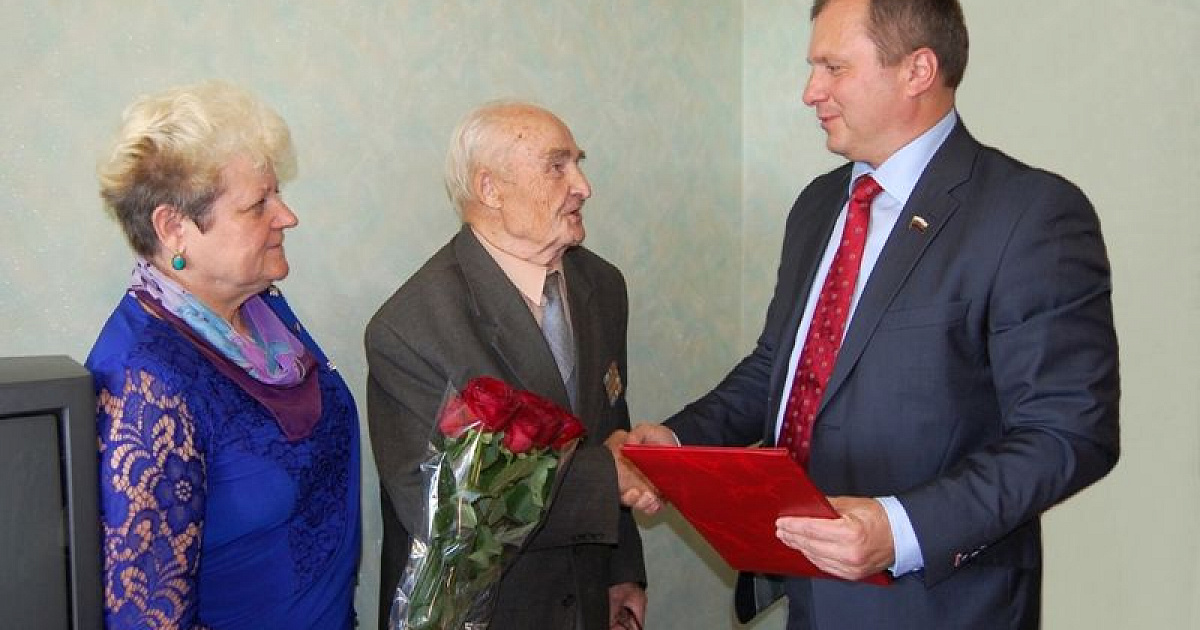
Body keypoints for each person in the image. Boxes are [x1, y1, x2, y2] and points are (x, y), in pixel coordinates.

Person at [613, 0, 1120, 628]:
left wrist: (900, 529)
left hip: (940, 604)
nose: (810, 92)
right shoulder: (819, 205)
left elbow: (1068, 432)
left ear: (917, 70)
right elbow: (783, 368)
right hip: (808, 591)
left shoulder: (1029, 214)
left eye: (833, 68)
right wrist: (676, 443)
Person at [87, 80, 361, 629]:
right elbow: (145, 616)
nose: (287, 216)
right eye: (258, 205)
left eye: (276, 194)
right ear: (174, 228)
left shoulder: (262, 311)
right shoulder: (144, 381)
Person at [365, 101, 647, 630]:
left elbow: (610, 425)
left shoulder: (602, 286)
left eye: (578, 163)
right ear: (490, 189)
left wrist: (622, 572)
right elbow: (446, 510)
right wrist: (608, 478)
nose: (583, 186)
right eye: (557, 166)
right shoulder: (410, 328)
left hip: (587, 600)